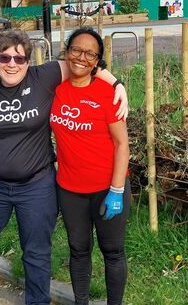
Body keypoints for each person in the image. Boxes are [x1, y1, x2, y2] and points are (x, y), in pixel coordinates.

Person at [0, 29, 127, 305]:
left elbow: (83, 63)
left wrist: (117, 84)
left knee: (36, 253)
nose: (12, 63)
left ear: (28, 60)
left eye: (19, 58)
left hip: (36, 186)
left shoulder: (43, 77)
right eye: (4, 58)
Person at [50, 27, 130, 305]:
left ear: (97, 61)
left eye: (90, 53)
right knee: (78, 250)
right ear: (67, 51)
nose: (81, 57)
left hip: (107, 188)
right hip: (70, 189)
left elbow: (122, 145)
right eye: (76, 50)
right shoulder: (55, 90)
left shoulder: (108, 94)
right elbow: (19, 74)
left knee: (113, 251)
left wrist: (117, 190)